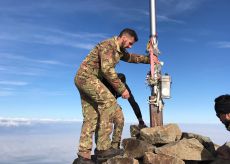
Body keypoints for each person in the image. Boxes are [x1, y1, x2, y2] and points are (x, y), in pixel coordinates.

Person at [73, 28, 149, 164]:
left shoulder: (119, 51)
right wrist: (122, 89)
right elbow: (107, 70)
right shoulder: (108, 45)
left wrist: (149, 60)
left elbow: (131, 58)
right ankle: (103, 148)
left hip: (82, 79)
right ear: (124, 38)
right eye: (130, 43)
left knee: (91, 116)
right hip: (87, 77)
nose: (130, 46)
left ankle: (83, 156)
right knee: (109, 104)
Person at [102, 73, 147, 149]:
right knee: (105, 122)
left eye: (122, 86)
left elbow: (133, 103)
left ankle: (115, 146)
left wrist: (140, 119)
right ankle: (103, 148)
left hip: (112, 102)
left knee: (120, 119)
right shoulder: (107, 83)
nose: (119, 88)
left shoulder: (125, 88)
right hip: (102, 101)